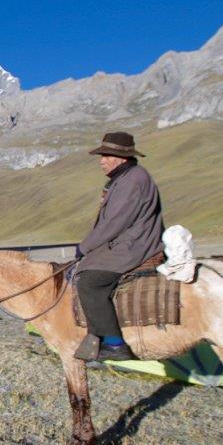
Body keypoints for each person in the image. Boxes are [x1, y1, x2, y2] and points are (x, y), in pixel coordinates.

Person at [73, 132, 165, 362]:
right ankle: (95, 334)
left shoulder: (133, 180)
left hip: (135, 244)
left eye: (106, 155)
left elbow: (116, 221)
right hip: (126, 241)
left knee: (90, 282)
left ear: (121, 158)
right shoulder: (124, 179)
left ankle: (114, 343)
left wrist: (85, 247)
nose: (101, 160)